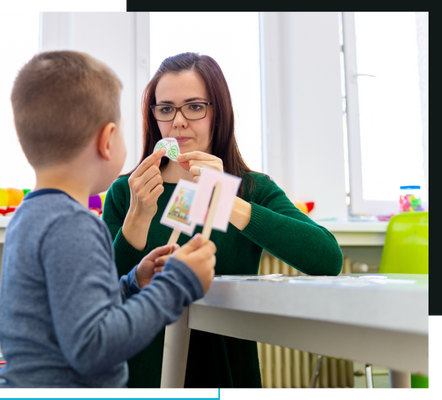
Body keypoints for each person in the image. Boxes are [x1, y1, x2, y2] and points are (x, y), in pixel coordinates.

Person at [102, 52, 344, 391]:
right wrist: (137, 220)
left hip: (225, 374)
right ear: (153, 116)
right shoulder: (127, 192)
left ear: (220, 112)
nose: (179, 121)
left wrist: (231, 202)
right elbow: (104, 300)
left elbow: (327, 259)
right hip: (143, 375)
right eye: (166, 108)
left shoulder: (253, 188)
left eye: (195, 106)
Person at [0, 50, 217, 391]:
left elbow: (71, 313)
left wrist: (131, 283)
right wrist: (178, 283)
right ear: (107, 140)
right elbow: (93, 347)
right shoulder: (75, 225)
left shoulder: (29, 214)